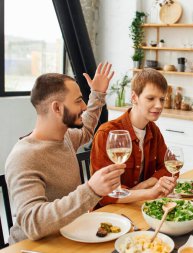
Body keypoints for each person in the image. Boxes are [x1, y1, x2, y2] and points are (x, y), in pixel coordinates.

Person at [5, 62, 126, 244]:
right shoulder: (24, 157)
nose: (84, 106)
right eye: (78, 101)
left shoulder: (66, 136)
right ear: (57, 108)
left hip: (66, 235)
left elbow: (86, 128)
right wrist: (91, 190)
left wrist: (98, 94)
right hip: (31, 247)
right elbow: (32, 223)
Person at [91, 68, 176, 206]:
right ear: (134, 97)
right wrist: (149, 192)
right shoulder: (107, 133)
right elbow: (104, 194)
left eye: (162, 99)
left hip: (138, 205)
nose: (159, 105)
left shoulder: (153, 131)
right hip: (109, 212)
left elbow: (171, 167)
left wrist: (144, 185)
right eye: (150, 98)